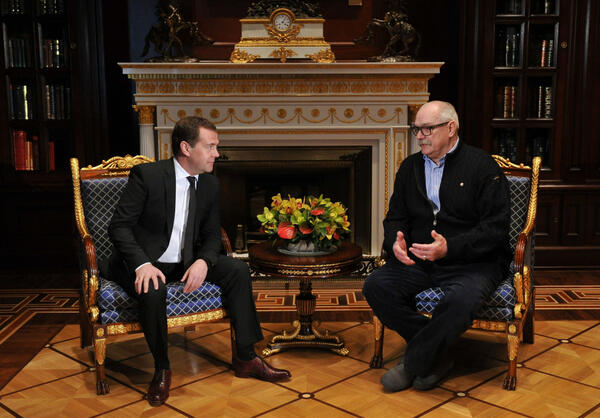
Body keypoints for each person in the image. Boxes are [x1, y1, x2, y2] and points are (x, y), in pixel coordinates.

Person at [104, 116, 291, 406]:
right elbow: (119, 227)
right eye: (210, 146)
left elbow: (212, 235)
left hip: (185, 261)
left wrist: (204, 261)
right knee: (153, 288)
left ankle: (246, 358)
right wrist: (142, 264)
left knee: (237, 270)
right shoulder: (148, 176)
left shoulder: (210, 184)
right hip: (143, 261)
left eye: (217, 147)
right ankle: (162, 369)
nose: (217, 153)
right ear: (186, 148)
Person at [363, 101, 511, 392]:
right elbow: (395, 217)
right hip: (420, 259)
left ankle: (414, 362)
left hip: (473, 262)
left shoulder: (482, 166)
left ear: (451, 128)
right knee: (376, 286)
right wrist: (395, 241)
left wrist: (450, 248)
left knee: (460, 301)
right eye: (417, 129)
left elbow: (495, 228)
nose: (419, 136)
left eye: (427, 129)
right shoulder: (410, 167)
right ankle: (438, 355)